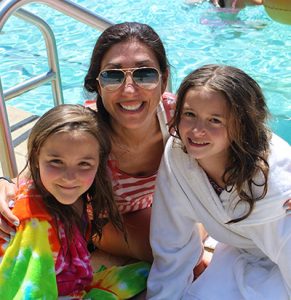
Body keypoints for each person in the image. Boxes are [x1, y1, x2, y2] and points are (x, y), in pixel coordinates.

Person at [0, 22, 176, 264]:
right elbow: (32, 176)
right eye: (112, 76)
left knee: (187, 247)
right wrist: (4, 185)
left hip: (149, 210)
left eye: (144, 74)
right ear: (97, 84)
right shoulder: (86, 131)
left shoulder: (178, 118)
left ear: (163, 80)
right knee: (170, 253)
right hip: (100, 224)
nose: (129, 90)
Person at [147, 64, 291, 299]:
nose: (196, 130)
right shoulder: (177, 154)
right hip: (243, 252)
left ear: (242, 125)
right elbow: (171, 243)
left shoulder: (273, 180)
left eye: (215, 120)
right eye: (189, 115)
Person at [0, 104, 150, 299]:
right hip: (33, 289)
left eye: (84, 164)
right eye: (56, 162)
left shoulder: (78, 199)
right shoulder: (35, 223)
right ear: (36, 158)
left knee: (148, 274)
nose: (70, 177)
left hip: (64, 282)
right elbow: (25, 293)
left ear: (99, 163)